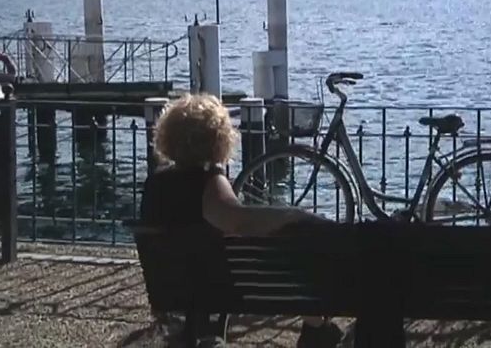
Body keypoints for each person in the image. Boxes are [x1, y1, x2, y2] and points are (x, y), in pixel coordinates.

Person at [141, 93, 342, 348]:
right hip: (215, 288)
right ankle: (318, 329)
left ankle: (318, 329)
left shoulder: (155, 183)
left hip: (170, 288)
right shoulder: (208, 183)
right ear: (219, 139)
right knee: (284, 259)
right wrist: (293, 215)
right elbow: (237, 220)